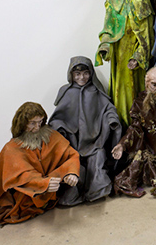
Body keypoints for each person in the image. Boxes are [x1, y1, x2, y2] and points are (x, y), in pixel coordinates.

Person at [0, 102, 80, 225]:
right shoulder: (11, 148)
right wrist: (44, 184)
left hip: (52, 189)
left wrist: (71, 172)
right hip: (25, 196)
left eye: (40, 122)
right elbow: (22, 176)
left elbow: (71, 155)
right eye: (32, 123)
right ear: (22, 123)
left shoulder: (51, 136)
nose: (37, 127)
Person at [49, 57, 121, 206]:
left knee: (98, 158)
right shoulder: (66, 92)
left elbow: (108, 109)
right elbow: (57, 117)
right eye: (77, 74)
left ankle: (96, 191)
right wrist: (59, 128)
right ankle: (73, 194)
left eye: (86, 73)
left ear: (91, 73)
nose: (82, 77)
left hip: (94, 139)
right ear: (71, 75)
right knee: (73, 166)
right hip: (73, 142)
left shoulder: (96, 91)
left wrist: (111, 119)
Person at [96, 0, 154, 125]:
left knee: (139, 90)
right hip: (120, 56)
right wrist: (105, 45)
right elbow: (108, 29)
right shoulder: (113, 2)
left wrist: (138, 56)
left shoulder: (143, 4)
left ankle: (138, 126)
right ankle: (122, 125)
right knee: (121, 90)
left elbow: (148, 35)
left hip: (138, 56)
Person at [111, 67, 156, 198]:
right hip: (146, 146)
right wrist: (122, 144)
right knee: (140, 159)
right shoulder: (139, 103)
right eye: (154, 85)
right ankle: (125, 184)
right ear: (147, 84)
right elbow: (135, 128)